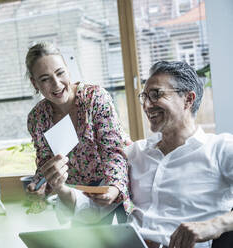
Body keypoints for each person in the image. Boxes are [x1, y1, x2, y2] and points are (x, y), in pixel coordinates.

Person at [53, 61, 233, 248]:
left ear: (188, 99)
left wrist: (213, 226)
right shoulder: (133, 153)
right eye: (144, 97)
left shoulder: (220, 149)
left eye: (156, 95)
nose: (147, 105)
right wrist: (60, 188)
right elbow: (92, 211)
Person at [25, 41, 133, 220]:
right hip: (77, 195)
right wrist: (39, 185)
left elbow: (113, 152)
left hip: (113, 183)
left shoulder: (94, 98)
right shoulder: (37, 118)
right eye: (45, 79)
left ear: (67, 69)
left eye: (60, 73)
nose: (57, 84)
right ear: (34, 83)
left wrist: (114, 188)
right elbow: (46, 163)